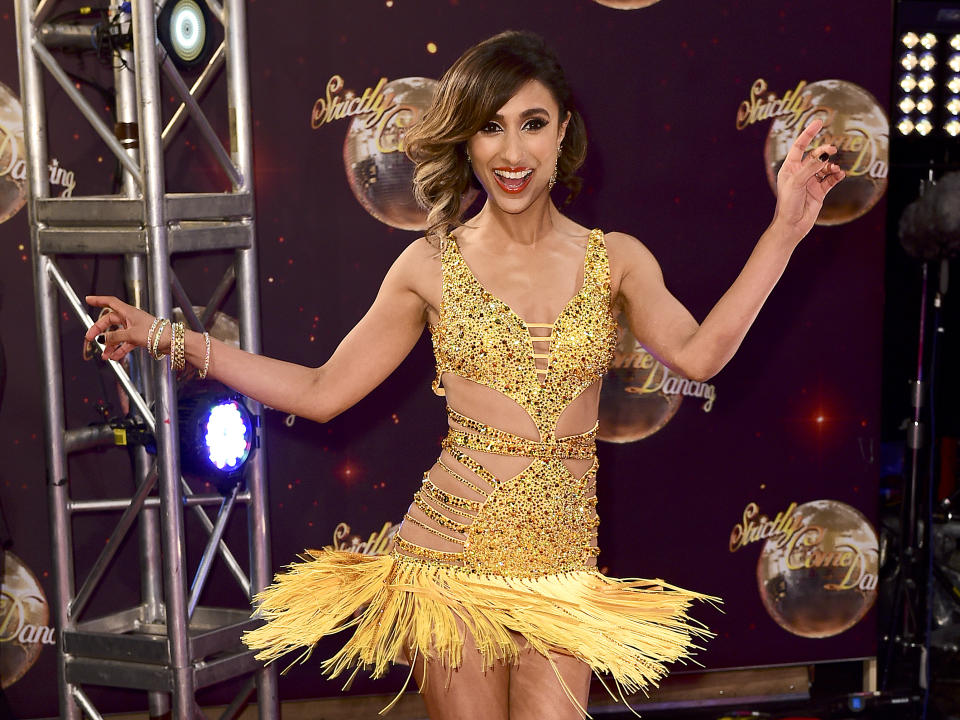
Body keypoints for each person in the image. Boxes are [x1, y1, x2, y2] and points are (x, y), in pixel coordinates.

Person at [85, 30, 844, 720]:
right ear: (468, 142)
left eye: (532, 123)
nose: (512, 151)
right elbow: (321, 392)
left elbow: (703, 354)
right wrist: (167, 337)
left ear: (564, 133)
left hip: (563, 571)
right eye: (490, 126)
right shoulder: (428, 264)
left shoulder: (617, 258)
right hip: (450, 560)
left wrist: (785, 230)